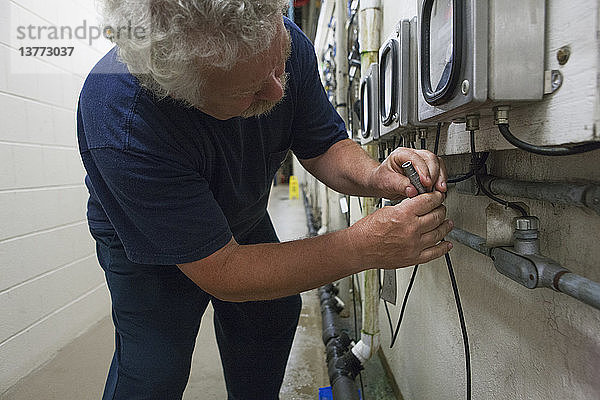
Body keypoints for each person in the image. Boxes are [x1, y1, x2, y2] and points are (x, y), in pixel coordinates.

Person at [77, 1, 453, 399]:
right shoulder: (122, 119)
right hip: (151, 241)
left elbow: (322, 143)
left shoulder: (282, 40)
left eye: (278, 64)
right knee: (154, 366)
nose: (278, 89)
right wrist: (362, 247)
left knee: (271, 315)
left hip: (242, 210)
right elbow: (224, 272)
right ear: (181, 92)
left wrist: (375, 175)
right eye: (249, 89)